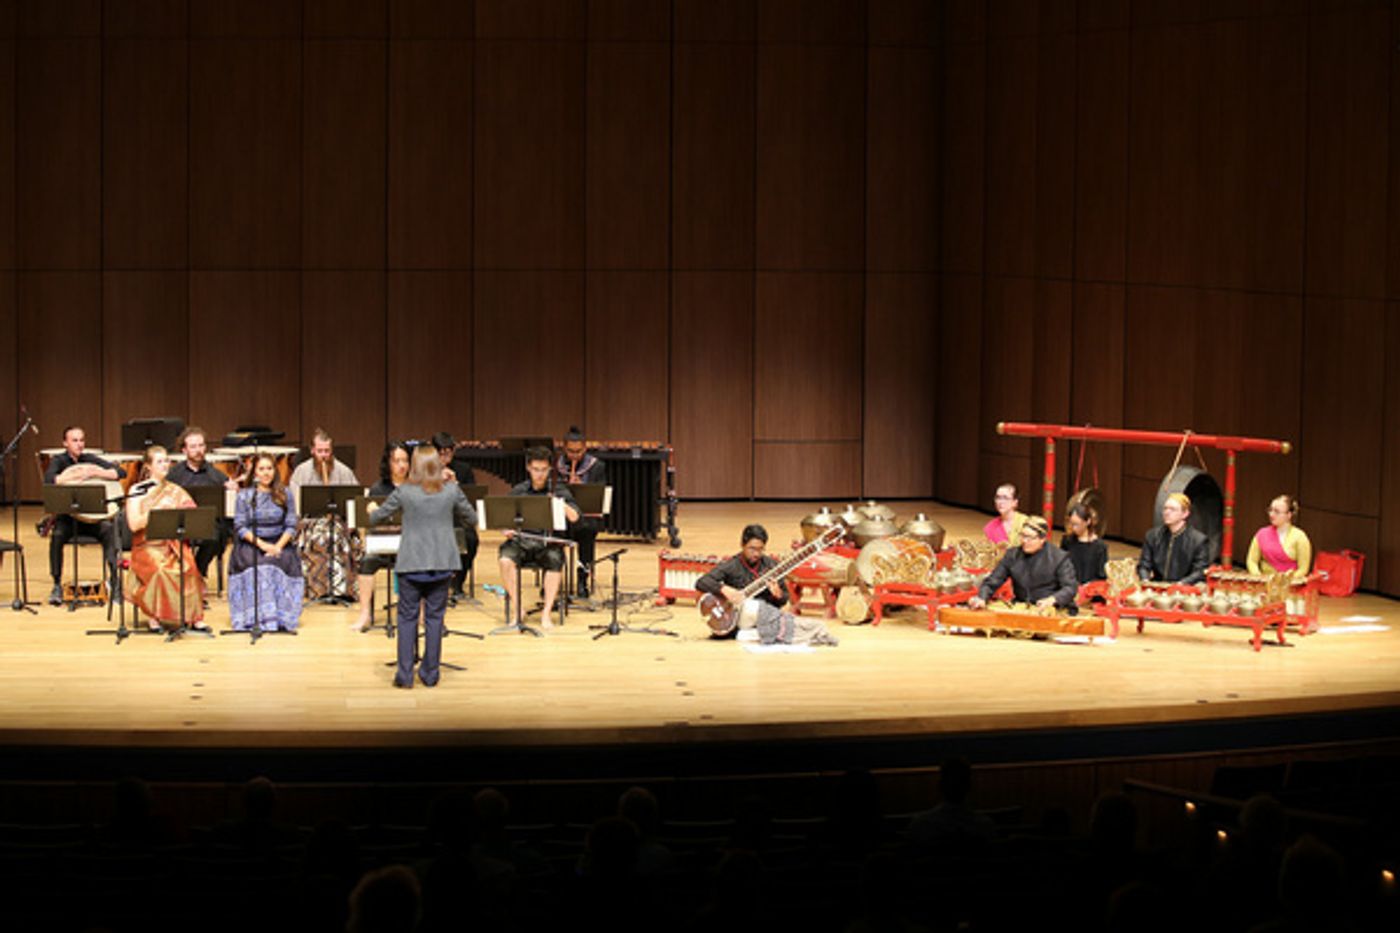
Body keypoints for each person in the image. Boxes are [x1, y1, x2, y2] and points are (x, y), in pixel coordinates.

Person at [369, 445, 476, 688]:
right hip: (442, 563)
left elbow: (376, 518)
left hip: (411, 564)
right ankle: (430, 675)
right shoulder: (451, 490)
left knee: (407, 619)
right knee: (434, 618)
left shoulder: (404, 491)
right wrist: (454, 487)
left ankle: (405, 676)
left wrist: (372, 509)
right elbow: (472, 519)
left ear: (414, 466)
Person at [694, 524, 838, 646]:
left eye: (760, 549)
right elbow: (702, 582)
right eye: (752, 549)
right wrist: (724, 589)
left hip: (767, 617)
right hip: (740, 616)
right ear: (742, 545)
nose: (756, 554)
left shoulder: (771, 566)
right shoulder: (732, 565)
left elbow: (784, 600)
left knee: (803, 624)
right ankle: (765, 633)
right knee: (752, 606)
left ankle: (751, 634)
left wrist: (778, 595)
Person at [123, 445, 209, 631]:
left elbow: (191, 515)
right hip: (147, 546)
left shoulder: (175, 490)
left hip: (171, 543)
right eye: (159, 461)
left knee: (189, 567)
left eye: (166, 461)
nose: (165, 465)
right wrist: (157, 514)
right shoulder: (137, 490)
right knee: (160, 570)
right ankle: (154, 615)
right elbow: (134, 524)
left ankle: (193, 616)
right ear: (148, 466)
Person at [498, 446, 580, 630]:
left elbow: (575, 517)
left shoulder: (559, 489)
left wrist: (559, 504)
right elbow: (504, 519)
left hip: (547, 543)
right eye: (536, 469)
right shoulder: (519, 491)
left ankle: (546, 613)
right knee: (505, 560)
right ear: (528, 468)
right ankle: (518, 609)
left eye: (544, 470)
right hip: (522, 542)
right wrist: (506, 529)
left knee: (555, 559)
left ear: (550, 469)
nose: (540, 474)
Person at [44, 425, 122, 605]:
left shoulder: (89, 459)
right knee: (57, 536)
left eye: (82, 440)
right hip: (68, 519)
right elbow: (49, 480)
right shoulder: (59, 461)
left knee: (109, 530)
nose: (79, 444)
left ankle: (115, 582)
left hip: (92, 519)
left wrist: (95, 472)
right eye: (75, 440)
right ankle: (56, 584)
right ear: (65, 443)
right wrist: (73, 476)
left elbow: (120, 472)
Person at [228, 453, 303, 631]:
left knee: (275, 562)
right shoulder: (245, 496)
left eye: (269, 468)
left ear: (275, 471)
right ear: (254, 472)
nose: (266, 473)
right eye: (261, 469)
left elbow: (291, 525)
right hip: (252, 543)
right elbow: (240, 526)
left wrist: (277, 546)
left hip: (279, 542)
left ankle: (278, 618)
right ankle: (257, 618)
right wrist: (262, 545)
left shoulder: (285, 494)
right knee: (259, 564)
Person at [289, 428, 362, 601]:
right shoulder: (301, 471)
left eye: (327, 451)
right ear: (312, 450)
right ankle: (317, 590)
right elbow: (294, 505)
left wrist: (351, 524)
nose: (323, 456)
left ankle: (340, 590)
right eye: (320, 451)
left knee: (337, 538)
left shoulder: (344, 471)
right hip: (310, 523)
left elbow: (355, 502)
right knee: (321, 539)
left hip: (338, 522)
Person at [167, 426, 240, 584]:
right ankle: (188, 576)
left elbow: (228, 502)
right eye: (193, 447)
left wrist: (232, 489)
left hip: (208, 523)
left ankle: (197, 572)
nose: (198, 450)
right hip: (182, 522)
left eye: (201, 445)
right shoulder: (174, 475)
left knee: (216, 536)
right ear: (184, 450)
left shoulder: (215, 475)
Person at [352, 441, 410, 632]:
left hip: (408, 543)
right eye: (396, 461)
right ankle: (365, 614)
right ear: (388, 463)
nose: (402, 465)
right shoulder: (378, 489)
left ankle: (416, 612)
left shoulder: (415, 486)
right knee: (366, 563)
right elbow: (371, 524)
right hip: (383, 541)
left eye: (405, 460)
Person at [969, 515, 1079, 612]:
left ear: (1042, 539)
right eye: (1022, 536)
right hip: (1022, 606)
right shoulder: (1013, 555)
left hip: (1052, 608)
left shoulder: (1059, 557)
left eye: (1029, 537)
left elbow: (1070, 587)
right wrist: (982, 597)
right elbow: (993, 580)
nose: (1024, 541)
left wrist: (1052, 599)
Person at [554, 425, 606, 596]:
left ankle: (583, 580)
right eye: (570, 451)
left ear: (585, 448)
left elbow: (598, 494)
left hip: (586, 517)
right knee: (552, 533)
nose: (574, 455)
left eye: (578, 451)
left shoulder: (596, 466)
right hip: (562, 517)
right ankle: (553, 580)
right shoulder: (556, 465)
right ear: (564, 448)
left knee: (588, 531)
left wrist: (582, 487)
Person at [433, 431, 478, 602]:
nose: (445, 457)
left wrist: (455, 485)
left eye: (448, 453)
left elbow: (471, 499)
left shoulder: (463, 469)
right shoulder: (426, 470)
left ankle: (458, 583)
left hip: (457, 519)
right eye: (441, 453)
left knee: (471, 539)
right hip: (434, 519)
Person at [1138, 492, 1211, 585]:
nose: (1167, 512)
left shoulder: (1198, 540)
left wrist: (1180, 584)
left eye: (1173, 509)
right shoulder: (1152, 535)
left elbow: (1200, 572)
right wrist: (1145, 580)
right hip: (1157, 586)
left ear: (1185, 514)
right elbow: (1144, 565)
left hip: (1184, 588)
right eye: (1165, 508)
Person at [1246, 494, 1312, 579]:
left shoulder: (1300, 537)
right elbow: (1251, 561)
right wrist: (1258, 577)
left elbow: (1303, 569)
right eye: (1270, 510)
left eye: (1276, 512)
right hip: (1264, 581)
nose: (1271, 514)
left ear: (1289, 515)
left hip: (1290, 583)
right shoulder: (1262, 534)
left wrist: (1285, 581)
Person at [1061, 501, 1108, 585]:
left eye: (1076, 524)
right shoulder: (1067, 541)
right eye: (1071, 524)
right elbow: (1061, 566)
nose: (1073, 528)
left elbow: (1102, 575)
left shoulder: (1099, 547)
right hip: (1070, 586)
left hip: (1090, 589)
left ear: (1087, 522)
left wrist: (1088, 586)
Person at [983, 483, 1028, 549]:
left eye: (1005, 498)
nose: (1000, 502)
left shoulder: (1026, 522)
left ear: (1015, 502)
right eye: (998, 497)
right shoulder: (990, 527)